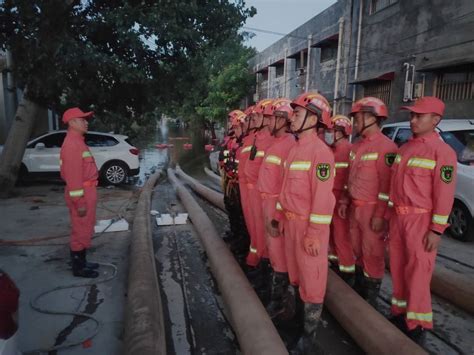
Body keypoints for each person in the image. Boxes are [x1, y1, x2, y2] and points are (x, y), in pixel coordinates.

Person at [388, 97, 457, 342]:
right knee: (397, 268)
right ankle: (399, 312)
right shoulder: (405, 148)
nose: (413, 120)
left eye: (419, 116)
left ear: (435, 120)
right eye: (412, 115)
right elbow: (394, 187)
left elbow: (444, 195)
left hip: (420, 222)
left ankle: (416, 325)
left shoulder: (443, 153)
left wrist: (436, 230)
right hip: (398, 219)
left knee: (418, 274)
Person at [273, 92, 335, 352]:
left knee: (312, 282)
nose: (292, 117)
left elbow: (322, 200)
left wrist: (313, 233)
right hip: (291, 223)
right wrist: (278, 217)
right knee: (296, 277)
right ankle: (296, 324)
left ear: (314, 118)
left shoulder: (321, 154)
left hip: (310, 228)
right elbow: (285, 189)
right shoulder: (295, 149)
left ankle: (308, 339)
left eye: (297, 113)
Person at [338, 97, 397, 305]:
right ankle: (361, 289)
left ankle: (370, 299)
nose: (355, 123)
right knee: (357, 249)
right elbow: (348, 179)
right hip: (355, 208)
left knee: (373, 253)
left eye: (358, 117)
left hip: (372, 211)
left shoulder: (387, 148)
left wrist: (380, 215)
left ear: (372, 118)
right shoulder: (356, 147)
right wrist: (345, 201)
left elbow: (386, 188)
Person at [256, 98, 296, 319]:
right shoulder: (275, 144)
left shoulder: (289, 146)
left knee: (279, 254)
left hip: (275, 205)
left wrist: (277, 216)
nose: (267, 123)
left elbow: (286, 186)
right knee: (272, 251)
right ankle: (274, 295)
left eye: (271, 119)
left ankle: (278, 302)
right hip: (266, 202)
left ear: (282, 120)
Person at [60, 107, 100, 278]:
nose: (86, 122)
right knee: (80, 229)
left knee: (86, 227)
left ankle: (82, 261)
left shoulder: (78, 141)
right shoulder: (72, 144)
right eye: (82, 119)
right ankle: (78, 268)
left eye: (86, 119)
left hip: (88, 189)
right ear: (72, 122)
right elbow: (73, 178)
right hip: (82, 192)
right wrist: (80, 202)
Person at [325, 115, 355, 285]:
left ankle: (347, 270)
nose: (330, 134)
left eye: (333, 131)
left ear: (342, 132)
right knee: (331, 234)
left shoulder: (348, 150)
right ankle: (336, 262)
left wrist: (344, 199)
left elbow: (349, 179)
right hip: (331, 196)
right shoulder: (331, 150)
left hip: (341, 198)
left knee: (342, 235)